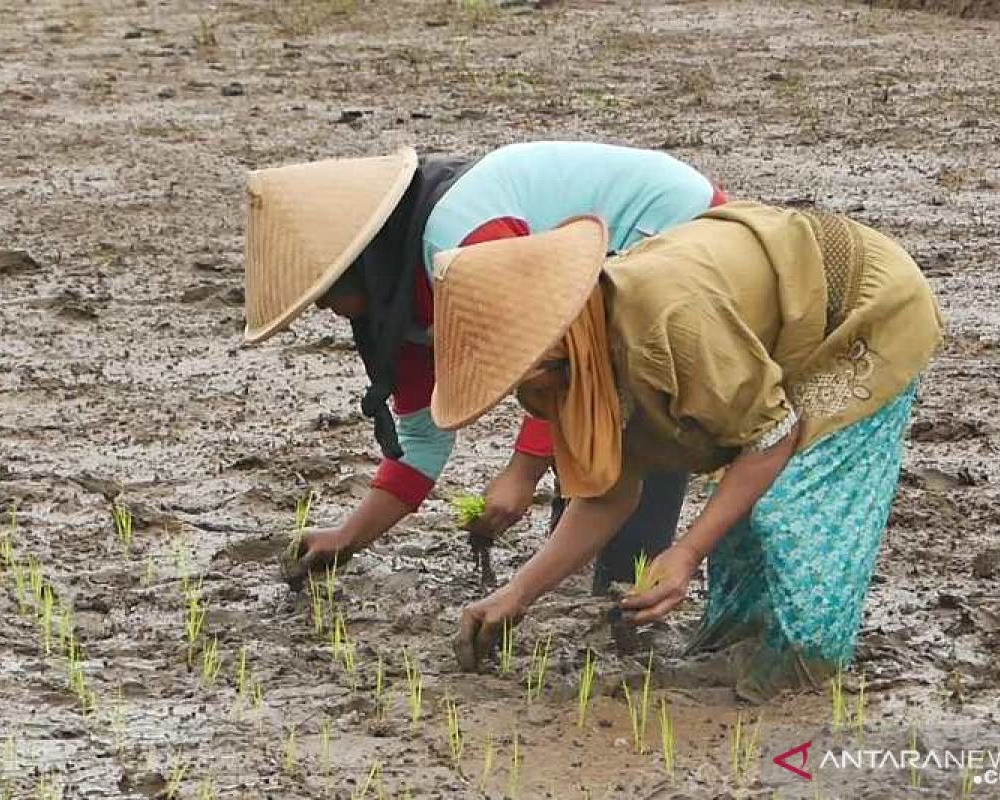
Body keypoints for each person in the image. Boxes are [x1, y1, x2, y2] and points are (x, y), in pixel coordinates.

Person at [430, 201, 943, 701]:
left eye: (520, 374)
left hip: (863, 306)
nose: (526, 395)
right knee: (740, 517)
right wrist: (518, 593)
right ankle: (740, 643)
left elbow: (771, 437)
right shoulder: (579, 359)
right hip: (781, 325)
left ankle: (806, 672)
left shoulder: (664, 323)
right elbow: (610, 494)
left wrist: (687, 552)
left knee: (790, 510)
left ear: (548, 346)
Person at [241, 141, 727, 591]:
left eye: (326, 295)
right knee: (584, 502)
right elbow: (423, 440)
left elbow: (568, 359)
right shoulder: (397, 302)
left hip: (671, 239)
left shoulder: (463, 243)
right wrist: (346, 538)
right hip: (596, 303)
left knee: (633, 419)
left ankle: (632, 596)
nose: (326, 310)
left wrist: (520, 474)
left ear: (360, 264)